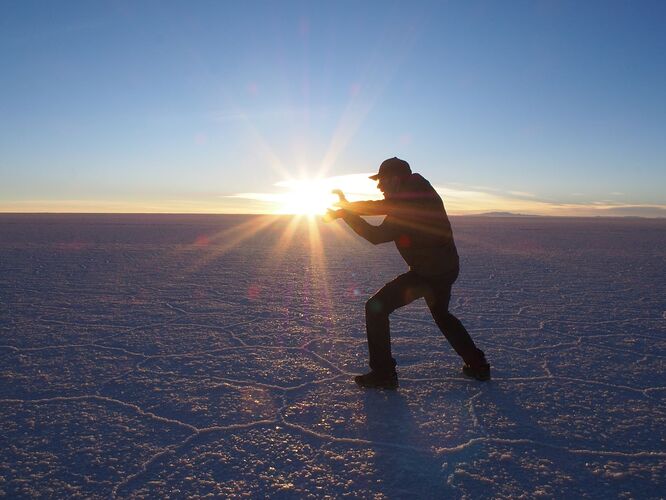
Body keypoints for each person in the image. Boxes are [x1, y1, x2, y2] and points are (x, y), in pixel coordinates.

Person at [327, 157, 490, 389]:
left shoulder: (408, 206)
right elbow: (379, 205)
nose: (379, 186)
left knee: (376, 307)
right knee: (442, 315)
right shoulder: (416, 191)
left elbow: (376, 236)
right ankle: (478, 364)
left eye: (381, 181)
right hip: (444, 268)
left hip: (428, 273)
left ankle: (383, 373)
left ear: (395, 179)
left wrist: (347, 214)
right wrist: (347, 206)